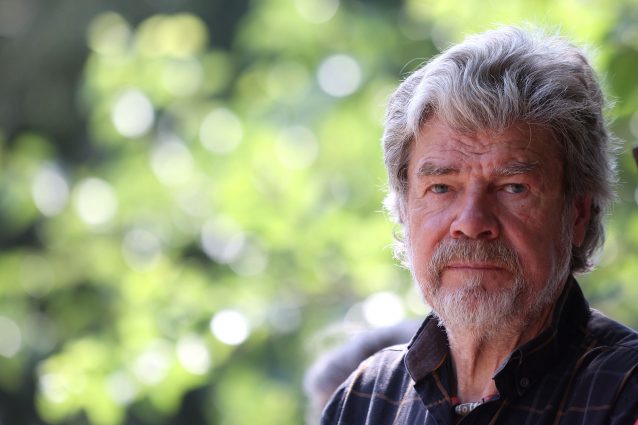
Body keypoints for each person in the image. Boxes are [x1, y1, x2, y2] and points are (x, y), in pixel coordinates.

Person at [321, 26, 638, 424]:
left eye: (513, 187)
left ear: (578, 214)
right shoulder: (366, 399)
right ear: (404, 208)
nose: (471, 223)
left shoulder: (624, 390)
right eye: (441, 187)